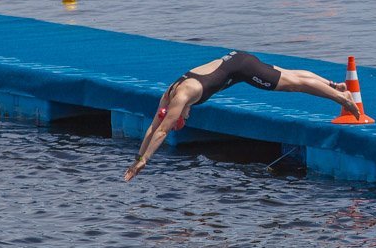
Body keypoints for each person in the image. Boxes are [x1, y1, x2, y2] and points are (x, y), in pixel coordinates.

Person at [123, 51, 359, 181]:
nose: (188, 115)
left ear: (176, 115)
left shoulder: (182, 97)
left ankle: (341, 98)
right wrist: (138, 159)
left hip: (243, 69)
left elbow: (162, 131)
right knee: (290, 75)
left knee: (294, 85)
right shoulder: (168, 95)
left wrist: (146, 160)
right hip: (237, 60)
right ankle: (334, 85)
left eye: (183, 118)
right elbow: (153, 128)